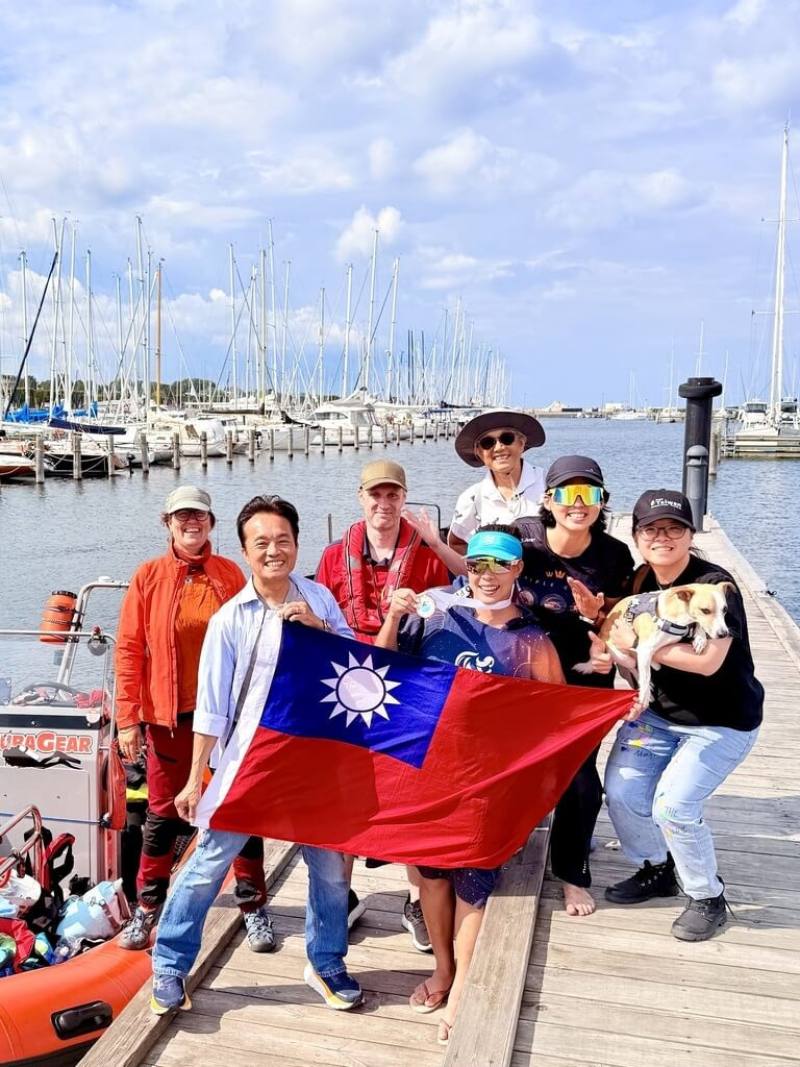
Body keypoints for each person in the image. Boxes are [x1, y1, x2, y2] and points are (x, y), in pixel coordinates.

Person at [150, 495, 362, 1014]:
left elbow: (359, 668)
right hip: (246, 763)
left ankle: (327, 960)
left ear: (296, 543)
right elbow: (211, 707)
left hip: (314, 764)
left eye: (283, 540)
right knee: (207, 864)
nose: (274, 551)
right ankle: (170, 966)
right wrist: (196, 778)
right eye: (261, 542)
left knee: (331, 869)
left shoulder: (320, 599)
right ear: (244, 549)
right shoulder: (230, 620)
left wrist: (323, 631)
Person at [375, 525, 564, 1046]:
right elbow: (381, 666)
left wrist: (619, 701)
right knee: (432, 876)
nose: (486, 574)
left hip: (489, 782)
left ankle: (459, 995)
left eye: (499, 564)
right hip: (430, 772)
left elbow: (560, 709)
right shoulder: (435, 613)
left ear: (517, 569)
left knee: (473, 885)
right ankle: (444, 969)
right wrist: (393, 615)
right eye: (477, 563)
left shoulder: (530, 637)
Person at [115, 486, 275, 954]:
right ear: (167, 522)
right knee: (162, 815)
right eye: (182, 516)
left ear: (211, 523)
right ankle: (148, 908)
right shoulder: (147, 577)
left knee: (239, 806)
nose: (192, 523)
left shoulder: (230, 573)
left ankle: (253, 905)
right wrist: (127, 719)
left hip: (230, 716)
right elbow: (128, 651)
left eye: (200, 516)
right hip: (169, 718)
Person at [603, 489, 763, 942]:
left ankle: (706, 895)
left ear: (691, 535)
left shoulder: (715, 586)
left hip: (722, 721)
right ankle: (658, 867)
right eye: (651, 529)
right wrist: (627, 665)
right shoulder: (640, 584)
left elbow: (709, 661)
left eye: (675, 528)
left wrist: (647, 646)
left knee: (673, 805)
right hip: (658, 717)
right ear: (636, 537)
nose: (663, 537)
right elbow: (624, 648)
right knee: (620, 792)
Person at [315, 458, 450, 951]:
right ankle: (342, 895)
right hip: (349, 685)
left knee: (408, 791)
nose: (384, 503)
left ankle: (416, 901)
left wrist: (437, 542)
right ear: (361, 498)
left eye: (393, 495)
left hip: (408, 683)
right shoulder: (334, 556)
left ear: (404, 498)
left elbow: (457, 598)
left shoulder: (427, 555)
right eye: (375, 494)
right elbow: (323, 616)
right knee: (348, 794)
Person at [516, 456, 634, 917]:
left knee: (582, 783)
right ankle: (505, 842)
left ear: (603, 502)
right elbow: (480, 569)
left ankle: (570, 873)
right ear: (549, 499)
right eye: (568, 493)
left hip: (585, 676)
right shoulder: (523, 535)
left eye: (591, 494)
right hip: (523, 674)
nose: (579, 504)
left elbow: (623, 619)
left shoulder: (613, 555)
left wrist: (600, 624)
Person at [447, 409, 546, 557]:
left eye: (507, 438)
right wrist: (484, 566)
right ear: (479, 453)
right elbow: (456, 543)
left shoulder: (549, 483)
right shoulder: (471, 498)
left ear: (522, 443)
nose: (499, 448)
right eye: (488, 443)